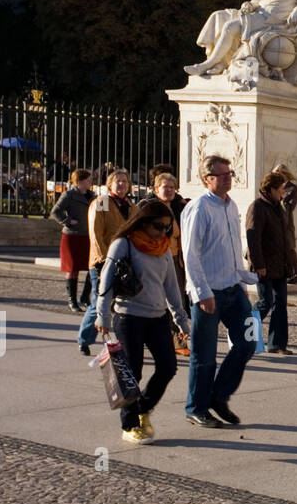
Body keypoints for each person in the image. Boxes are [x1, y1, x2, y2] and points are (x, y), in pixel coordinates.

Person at [95, 198, 191, 445]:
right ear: (144, 222)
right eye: (158, 226)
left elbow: (172, 287)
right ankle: (129, 425)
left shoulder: (163, 248)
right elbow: (106, 282)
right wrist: (102, 315)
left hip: (158, 317)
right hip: (129, 317)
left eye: (167, 228)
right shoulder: (123, 245)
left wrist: (182, 321)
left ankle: (143, 409)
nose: (163, 232)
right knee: (132, 373)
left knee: (168, 367)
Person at [182, 154, 258, 428]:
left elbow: (232, 249)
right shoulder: (199, 208)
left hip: (233, 289)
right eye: (223, 174)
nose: (229, 178)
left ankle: (219, 395)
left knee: (249, 341)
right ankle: (196, 407)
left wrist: (245, 279)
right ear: (207, 179)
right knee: (203, 355)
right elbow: (190, 256)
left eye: (230, 173)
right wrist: (202, 293)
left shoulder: (230, 205)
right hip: (209, 292)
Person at [77, 169, 132, 356]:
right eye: (118, 181)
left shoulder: (131, 206)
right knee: (100, 302)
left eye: (125, 181)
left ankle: (124, 340)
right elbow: (95, 232)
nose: (122, 185)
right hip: (103, 260)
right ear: (110, 184)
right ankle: (85, 339)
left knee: (125, 304)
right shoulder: (101, 203)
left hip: (125, 261)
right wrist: (102, 260)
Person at [247, 172, 292, 354]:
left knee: (280, 303)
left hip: (279, 264)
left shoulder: (277, 207)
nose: (283, 192)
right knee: (266, 302)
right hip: (264, 264)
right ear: (272, 189)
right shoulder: (257, 207)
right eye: (281, 189)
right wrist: (258, 264)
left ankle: (277, 343)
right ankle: (246, 330)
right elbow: (253, 237)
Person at [151, 171, 189, 355]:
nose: (170, 190)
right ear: (156, 189)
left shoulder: (177, 207)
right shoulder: (150, 208)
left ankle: (178, 342)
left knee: (177, 300)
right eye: (165, 187)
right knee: (159, 302)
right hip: (157, 258)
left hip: (175, 258)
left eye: (172, 187)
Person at [49, 169, 95, 312]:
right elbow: (55, 212)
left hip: (88, 236)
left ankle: (85, 297)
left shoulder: (93, 196)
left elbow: (103, 212)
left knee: (92, 268)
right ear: (80, 182)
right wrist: (68, 221)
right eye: (88, 180)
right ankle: (72, 300)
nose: (90, 182)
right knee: (72, 269)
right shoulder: (69, 195)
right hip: (72, 236)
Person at [272, 164, 297, 285]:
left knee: (289, 247)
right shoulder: (274, 186)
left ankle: (294, 273)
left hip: (287, 221)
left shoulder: (292, 188)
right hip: (274, 219)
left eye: (279, 173)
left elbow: (289, 206)